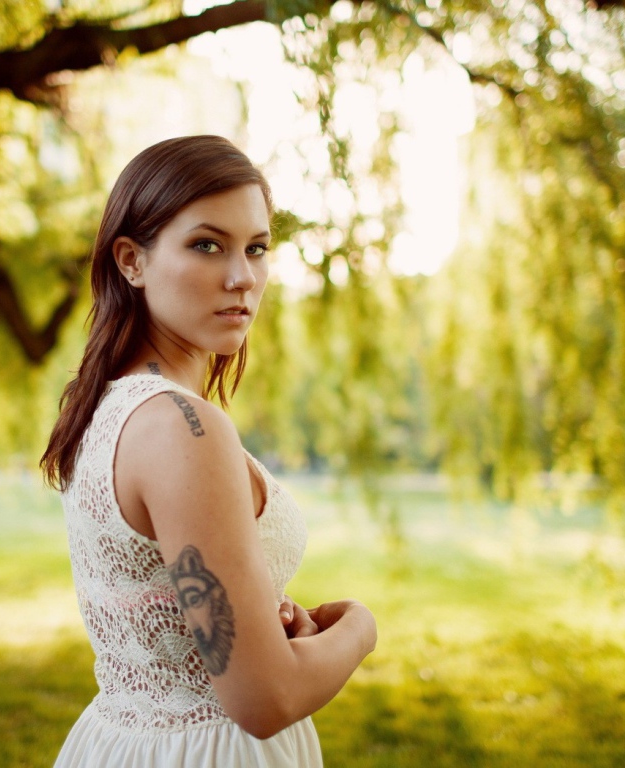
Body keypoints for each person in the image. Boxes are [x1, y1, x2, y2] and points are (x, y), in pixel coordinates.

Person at [41, 135, 377, 766]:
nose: (241, 277)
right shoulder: (178, 426)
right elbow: (264, 698)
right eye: (206, 244)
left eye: (256, 248)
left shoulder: (112, 408)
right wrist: (358, 628)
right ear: (131, 260)